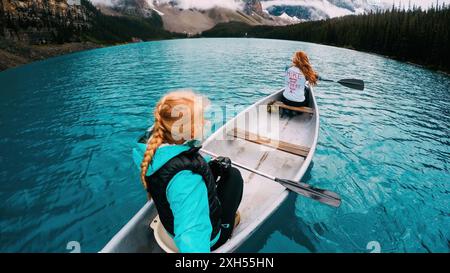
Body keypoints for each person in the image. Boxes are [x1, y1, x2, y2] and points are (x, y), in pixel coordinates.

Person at [133, 90, 243, 253]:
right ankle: (227, 226)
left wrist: (208, 165)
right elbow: (193, 242)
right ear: (189, 131)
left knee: (221, 171)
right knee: (234, 177)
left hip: (170, 224)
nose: (206, 122)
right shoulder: (187, 180)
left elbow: (173, 167)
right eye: (202, 120)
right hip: (207, 240)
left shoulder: (150, 149)